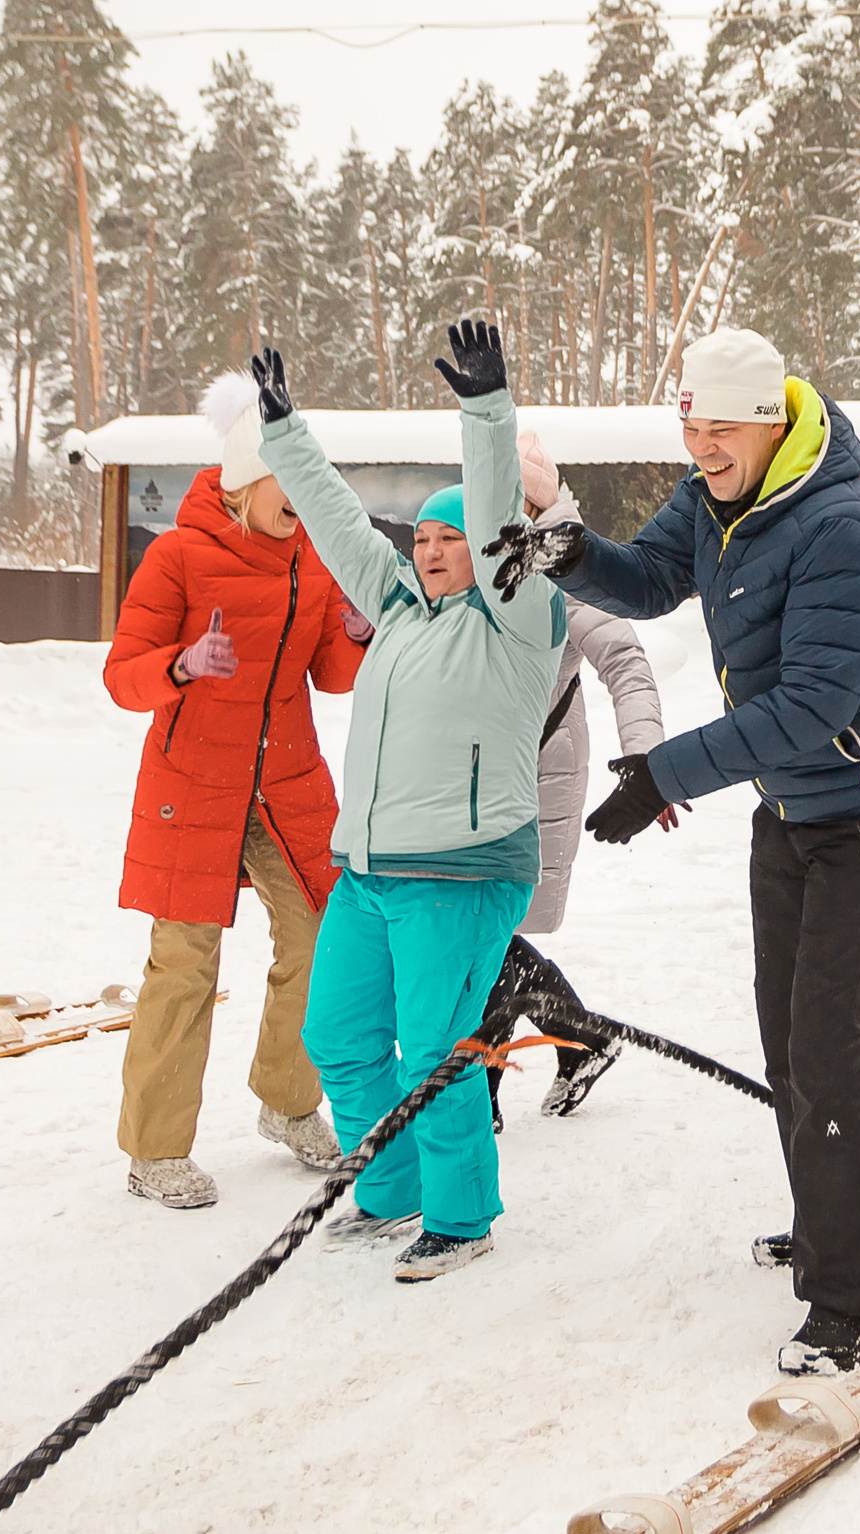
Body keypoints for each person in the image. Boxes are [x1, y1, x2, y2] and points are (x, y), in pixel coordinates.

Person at [538, 327, 860, 1377]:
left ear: (773, 423)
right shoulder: (714, 497)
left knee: (824, 1045)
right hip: (795, 803)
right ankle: (857, 1217)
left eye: (721, 431)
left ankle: (848, 1298)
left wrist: (660, 776)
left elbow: (814, 705)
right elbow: (643, 580)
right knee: (788, 1039)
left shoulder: (843, 527)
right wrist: (570, 549)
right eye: (692, 429)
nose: (704, 448)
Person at [252, 320, 568, 1285]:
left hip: (464, 871)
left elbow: (494, 523)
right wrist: (283, 434)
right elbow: (342, 524)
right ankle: (389, 1190)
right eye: (422, 538)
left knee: (436, 1047)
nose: (432, 552)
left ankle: (462, 1213)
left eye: (450, 538)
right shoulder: (394, 612)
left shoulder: (519, 619)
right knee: (338, 1035)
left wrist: (485, 413)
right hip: (373, 868)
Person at [102, 374, 366, 1211]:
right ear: (245, 482)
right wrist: (182, 666)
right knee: (184, 963)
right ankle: (154, 1150)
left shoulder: (312, 562)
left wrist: (358, 633)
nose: (301, 502)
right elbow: (122, 675)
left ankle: (289, 1101)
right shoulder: (178, 556)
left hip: (287, 784)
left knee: (324, 932)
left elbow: (332, 673)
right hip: (196, 786)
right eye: (286, 485)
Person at [476, 430, 673, 1124]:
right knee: (482, 928)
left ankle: (484, 1088)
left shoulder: (567, 563)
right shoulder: (474, 550)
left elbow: (624, 659)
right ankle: (582, 1039)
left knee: (488, 929)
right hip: (477, 769)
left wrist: (645, 756)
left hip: (538, 768)